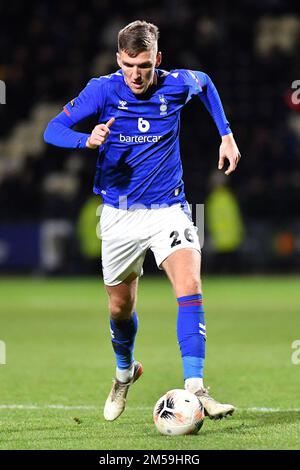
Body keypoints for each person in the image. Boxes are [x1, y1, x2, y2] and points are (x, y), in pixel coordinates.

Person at [44, 20, 241, 422]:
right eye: (130, 64)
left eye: (146, 65)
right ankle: (124, 372)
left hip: (169, 208)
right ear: (119, 59)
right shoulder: (102, 89)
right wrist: (87, 139)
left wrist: (226, 134)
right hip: (119, 214)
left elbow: (205, 83)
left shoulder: (176, 84)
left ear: (158, 60)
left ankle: (196, 387)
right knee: (120, 308)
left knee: (190, 285)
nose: (137, 74)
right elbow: (52, 129)